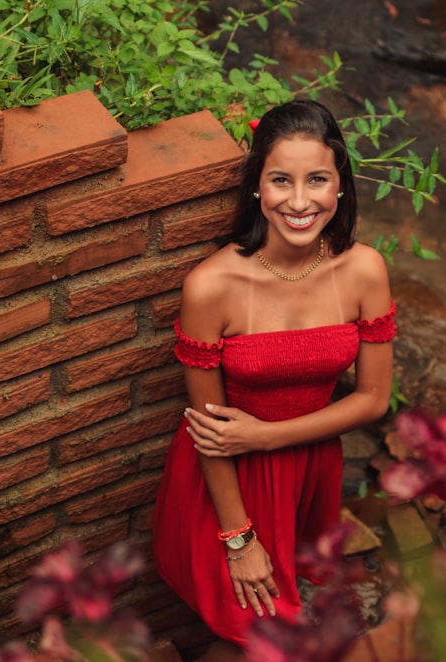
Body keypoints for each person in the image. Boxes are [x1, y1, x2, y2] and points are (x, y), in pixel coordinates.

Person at [151, 99, 396, 657]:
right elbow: (211, 435)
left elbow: (375, 399)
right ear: (258, 187)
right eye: (281, 180)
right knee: (267, 635)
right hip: (225, 487)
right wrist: (238, 542)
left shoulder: (364, 270)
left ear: (340, 186)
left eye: (318, 180)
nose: (301, 201)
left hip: (310, 472)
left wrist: (265, 435)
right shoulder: (210, 287)